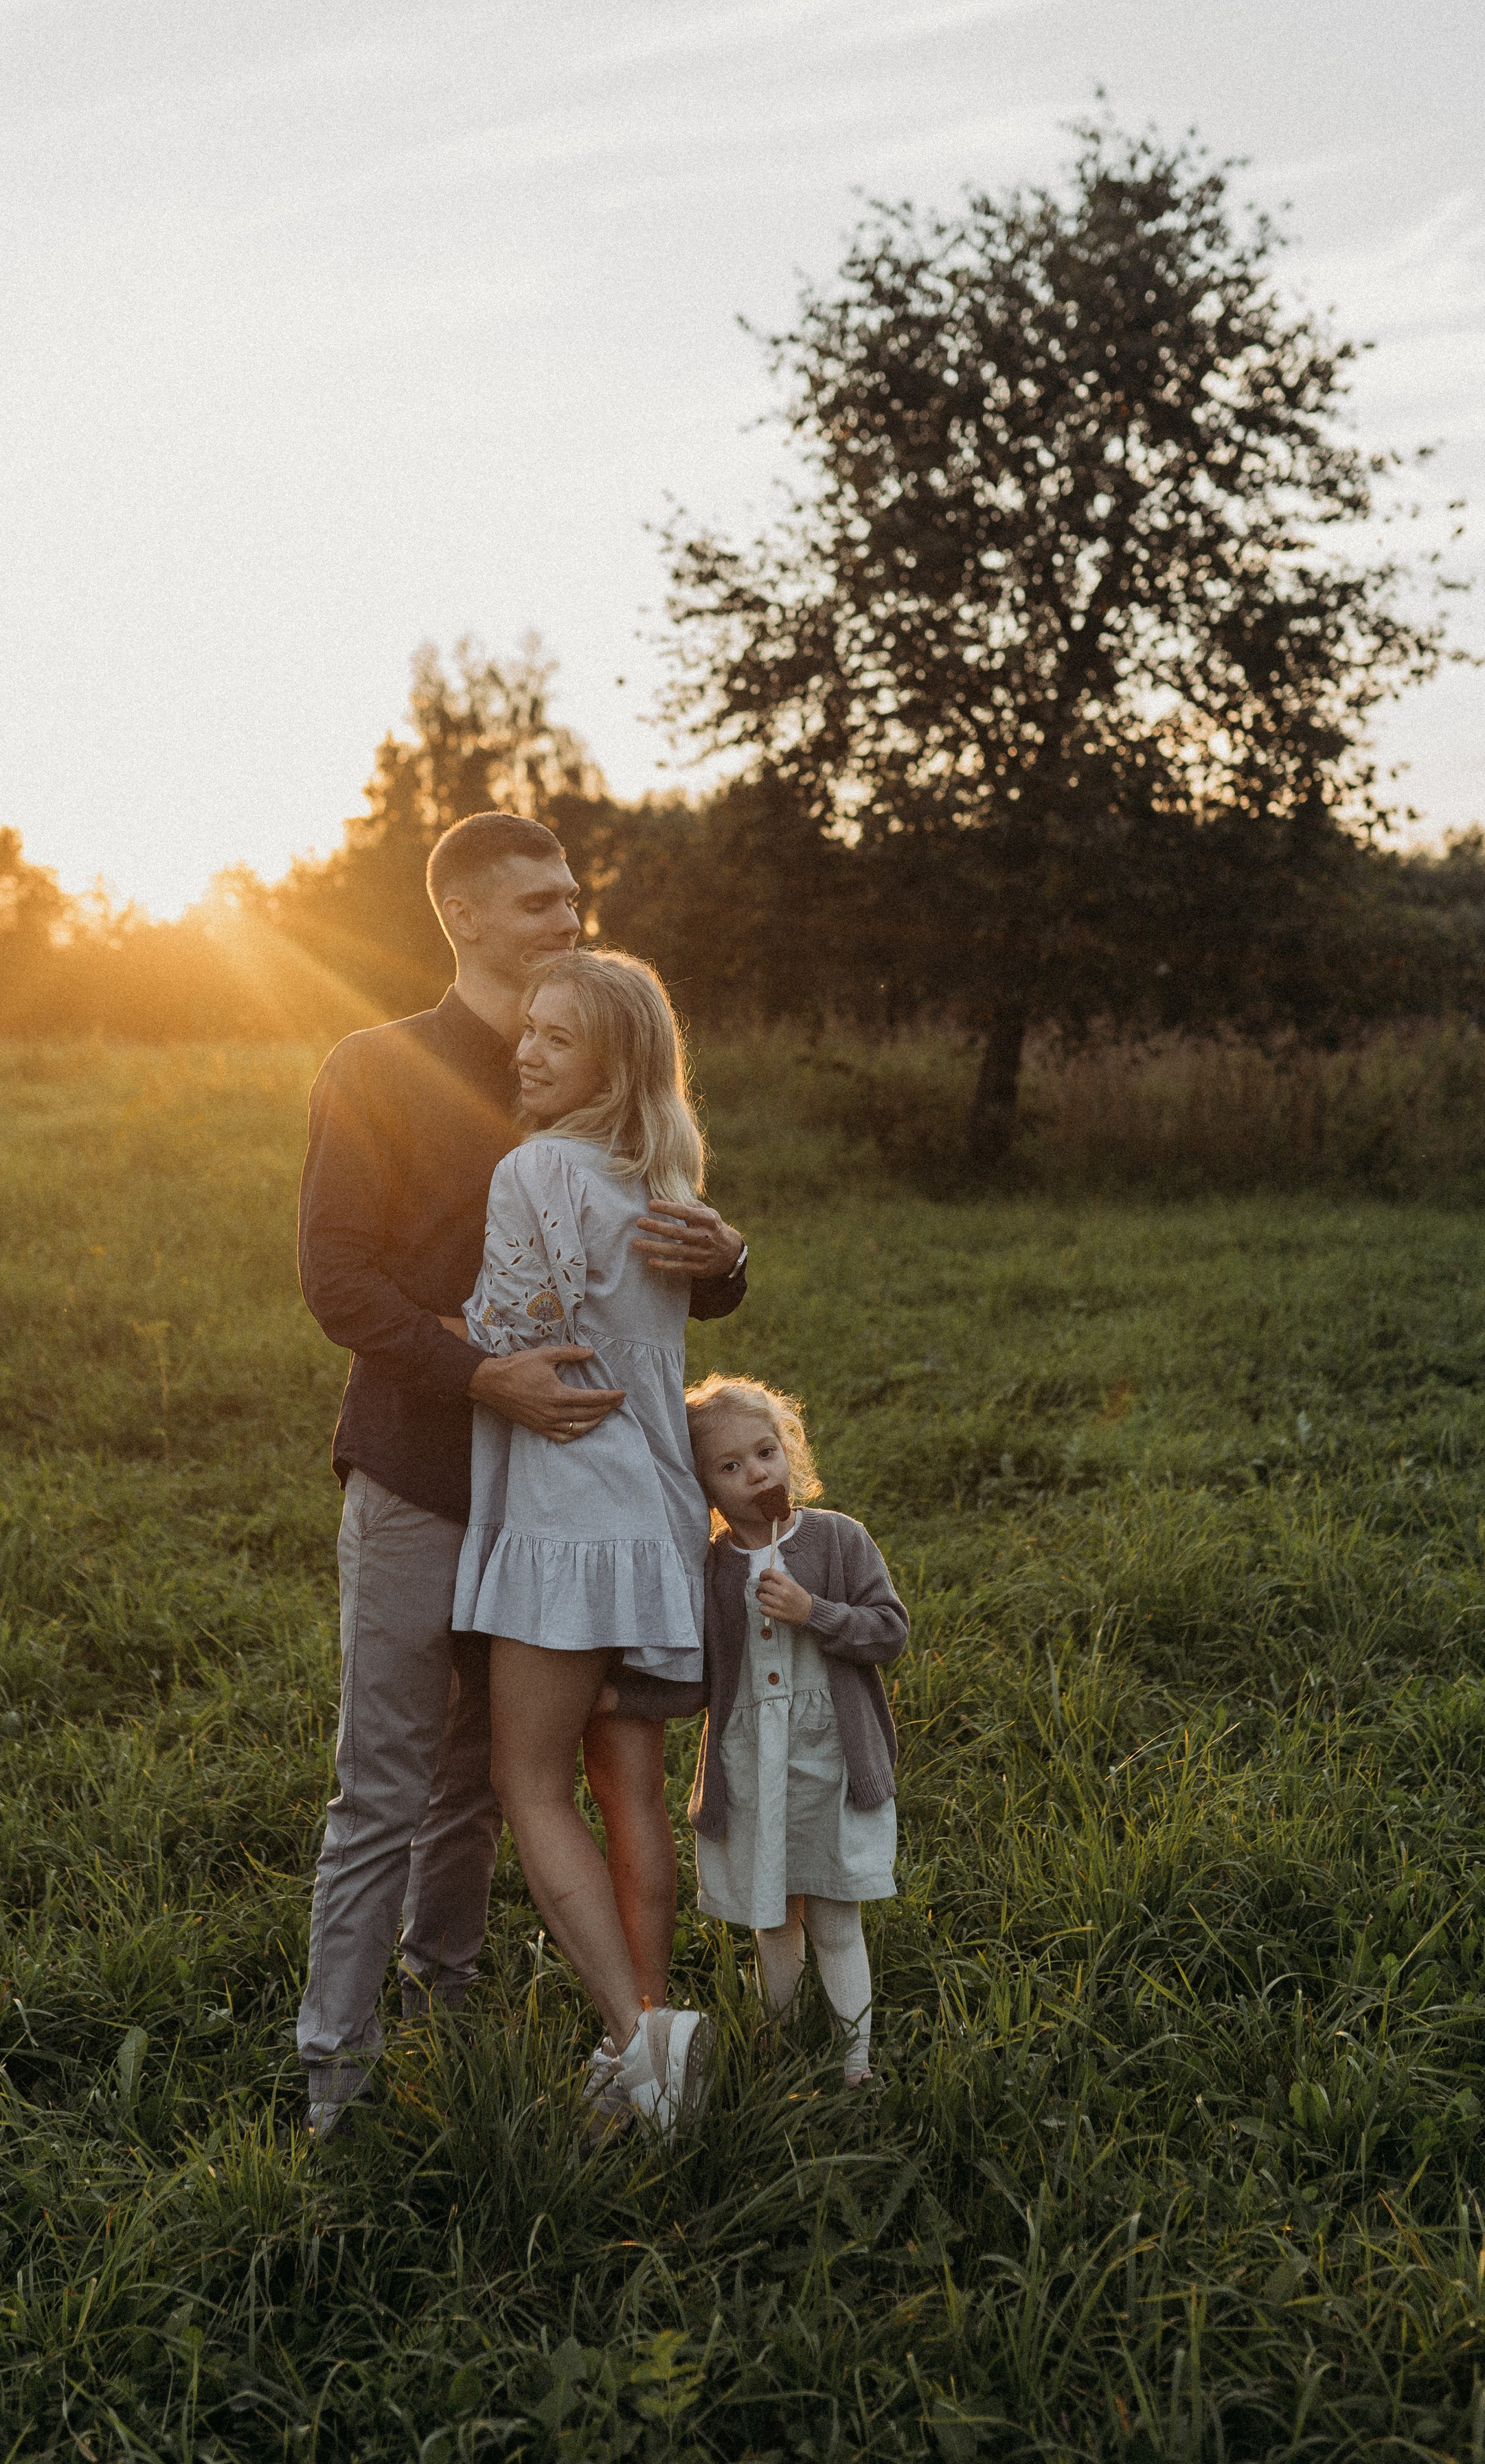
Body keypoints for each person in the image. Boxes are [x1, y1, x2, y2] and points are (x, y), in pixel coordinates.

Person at [295, 814, 747, 2138]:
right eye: (541, 901)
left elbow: (679, 1284)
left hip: (554, 1506)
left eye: (572, 897)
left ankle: (453, 2015)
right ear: (466, 919)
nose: (569, 915)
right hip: (425, 1475)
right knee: (386, 1782)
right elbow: (339, 1285)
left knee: (480, 1785)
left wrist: (723, 1259)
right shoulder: (375, 1068)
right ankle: (338, 2075)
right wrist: (482, 1373)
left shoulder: (595, 1068)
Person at [452, 949, 719, 2134]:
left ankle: (641, 2048)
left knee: (527, 1780)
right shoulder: (668, 1181)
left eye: (559, 1039)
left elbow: (507, 1332)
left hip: (569, 1514)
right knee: (632, 1791)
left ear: (614, 1060)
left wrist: (441, 1329)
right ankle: (650, 2030)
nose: (528, 1050)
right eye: (530, 1030)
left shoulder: (533, 1171)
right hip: (657, 1515)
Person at [679, 1375, 907, 2088]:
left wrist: (815, 1611)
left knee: (836, 1918)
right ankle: (774, 2048)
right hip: (751, 1770)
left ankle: (855, 2063)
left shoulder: (838, 1539)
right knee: (771, 1921)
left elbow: (888, 1632)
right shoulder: (710, 1568)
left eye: (765, 1452)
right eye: (729, 1466)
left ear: (787, 1452)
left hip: (831, 1764)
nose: (755, 1473)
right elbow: (698, 1671)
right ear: (704, 1488)